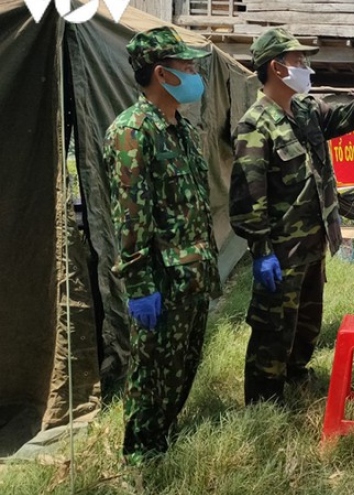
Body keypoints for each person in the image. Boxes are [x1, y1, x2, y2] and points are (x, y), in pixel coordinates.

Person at [229, 28, 354, 405]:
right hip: (280, 250)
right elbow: (246, 196)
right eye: (298, 60)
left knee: (306, 319)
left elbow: (352, 116)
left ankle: (297, 374)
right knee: (273, 327)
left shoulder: (305, 110)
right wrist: (260, 250)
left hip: (312, 241)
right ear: (276, 67)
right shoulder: (256, 124)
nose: (306, 66)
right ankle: (264, 402)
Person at [103, 27, 221, 464]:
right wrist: (139, 286)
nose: (194, 74)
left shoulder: (181, 130)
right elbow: (130, 217)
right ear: (162, 73)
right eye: (187, 66)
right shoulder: (132, 132)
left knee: (181, 370)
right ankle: (140, 459)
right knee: (151, 376)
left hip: (192, 275)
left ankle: (163, 440)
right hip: (161, 282)